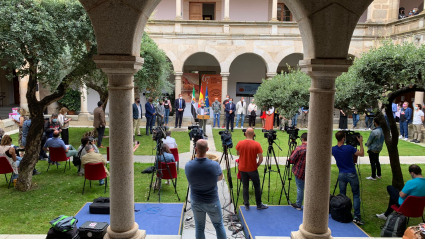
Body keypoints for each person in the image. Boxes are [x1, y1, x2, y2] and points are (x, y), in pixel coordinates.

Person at [185, 139, 226, 239]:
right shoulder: (215, 165)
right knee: (218, 225)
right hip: (212, 201)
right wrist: (210, 180)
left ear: (196, 149)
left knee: (199, 227)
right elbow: (220, 177)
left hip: (196, 201)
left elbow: (190, 180)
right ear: (207, 149)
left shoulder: (188, 166)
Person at [332, 131, 365, 225]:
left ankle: (342, 213)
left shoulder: (333, 149)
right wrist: (361, 142)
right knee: (356, 195)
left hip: (341, 173)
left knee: (342, 195)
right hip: (351, 173)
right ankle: (357, 216)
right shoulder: (349, 148)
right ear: (343, 138)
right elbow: (361, 154)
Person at [236, 128, 268, 210]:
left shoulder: (240, 143)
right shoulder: (257, 144)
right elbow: (261, 159)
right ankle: (259, 204)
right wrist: (256, 165)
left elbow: (238, 153)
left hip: (242, 168)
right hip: (252, 169)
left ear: (245, 134)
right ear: (253, 134)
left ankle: (246, 205)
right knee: (257, 186)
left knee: (245, 186)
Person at [290, 133, 307, 210]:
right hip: (310, 173)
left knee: (300, 188)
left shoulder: (299, 148)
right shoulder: (314, 148)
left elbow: (292, 159)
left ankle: (298, 204)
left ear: (302, 139)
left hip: (300, 172)